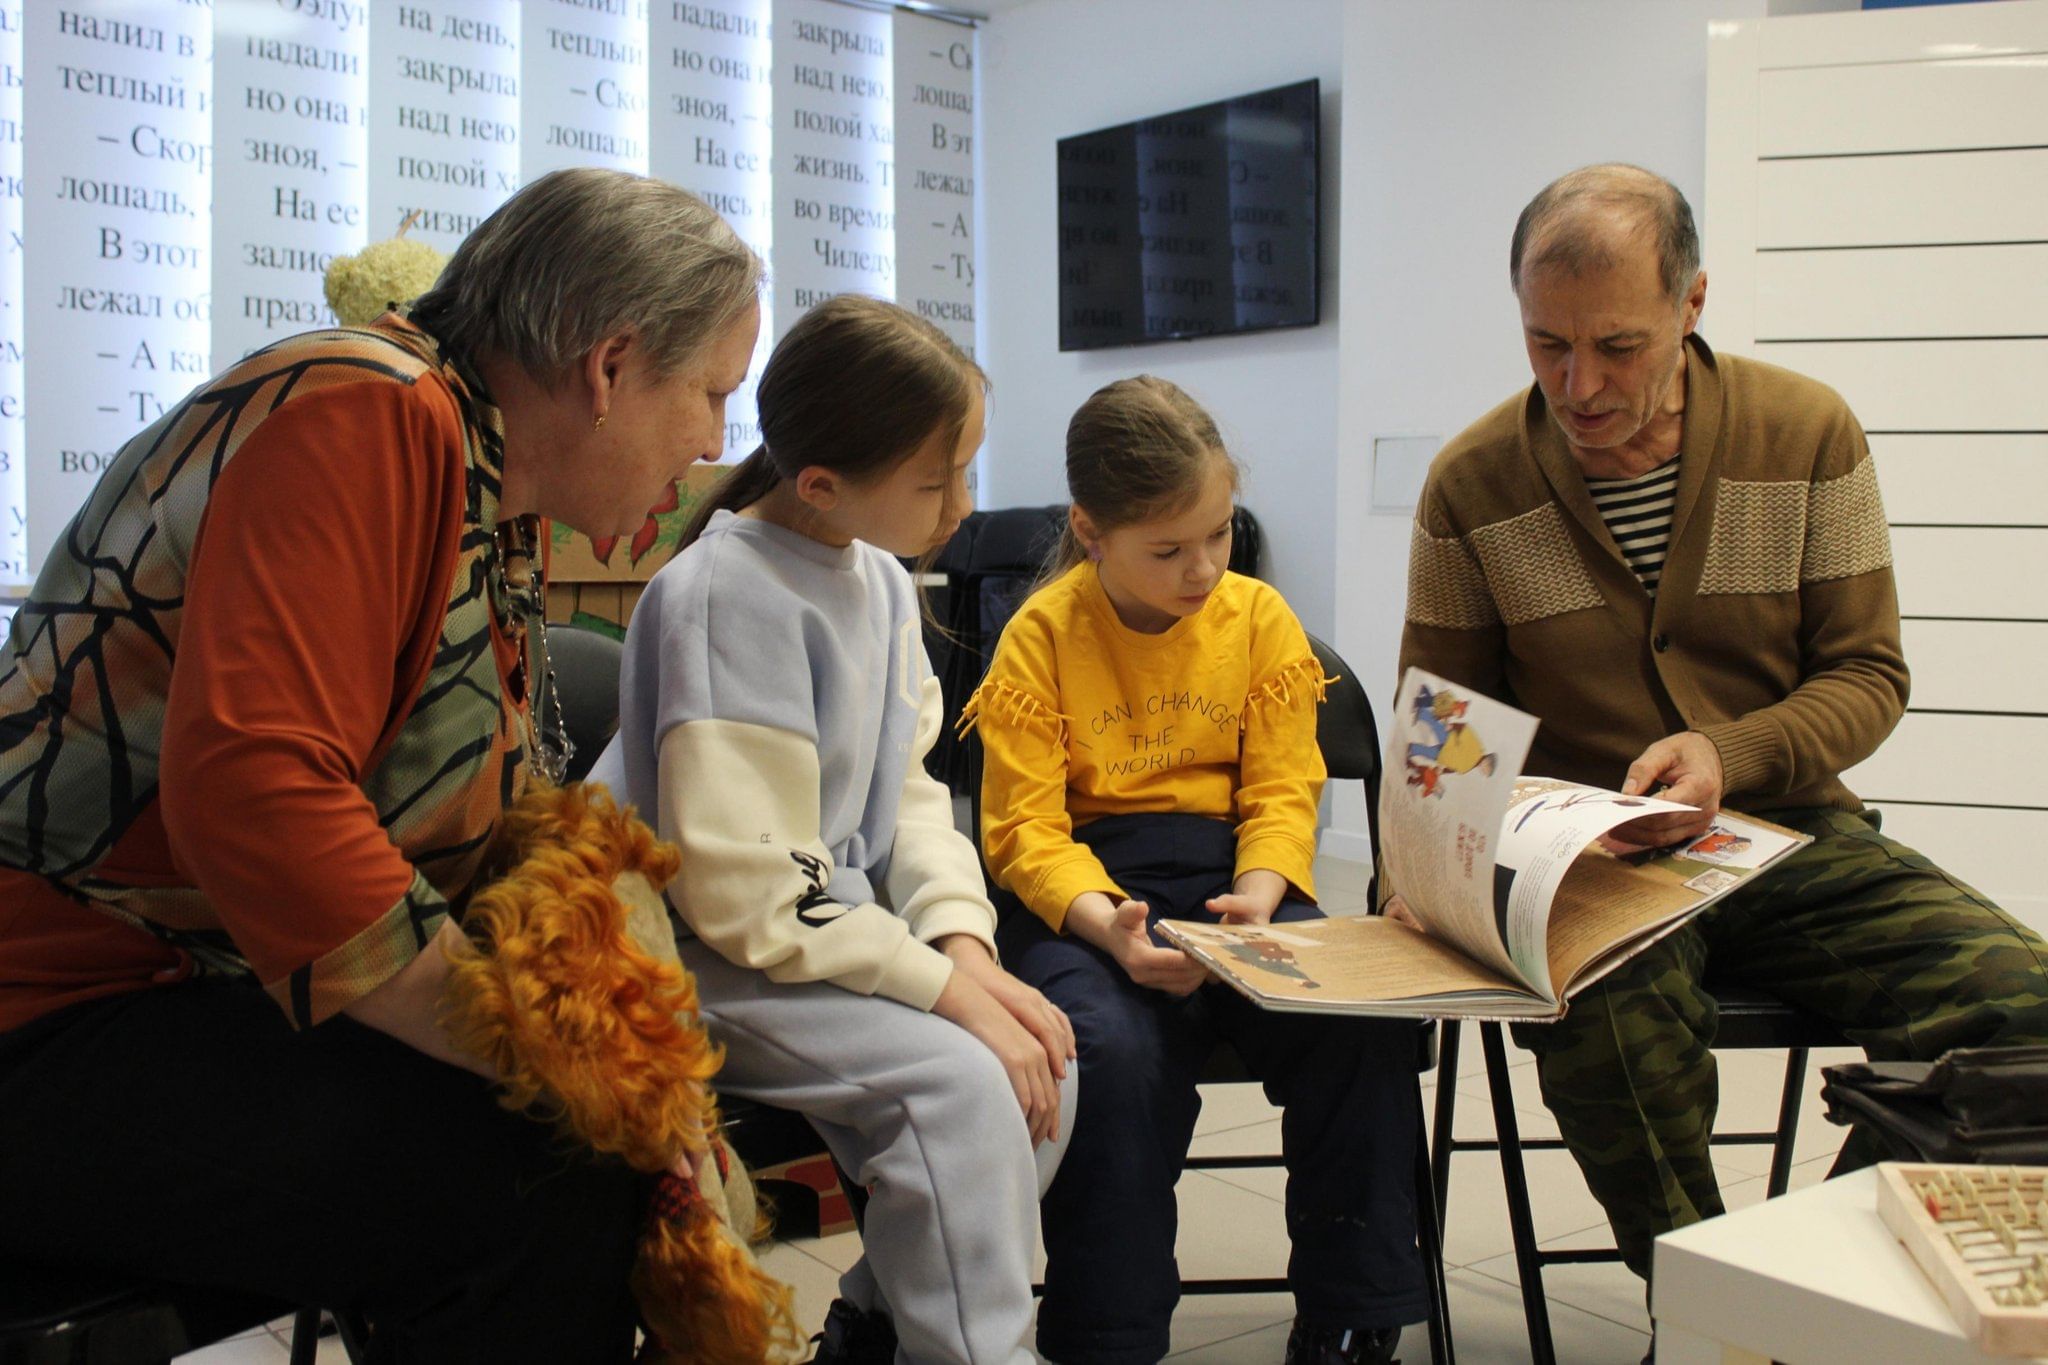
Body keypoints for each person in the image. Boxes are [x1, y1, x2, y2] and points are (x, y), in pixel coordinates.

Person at [0, 168, 764, 1362]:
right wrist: (554, 1058)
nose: (717, 440)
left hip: (183, 988)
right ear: (610, 367)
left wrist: (610, 1040)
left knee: (570, 1140)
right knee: (541, 1168)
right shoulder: (365, 410)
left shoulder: (466, 459)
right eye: (711, 392)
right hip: (49, 1014)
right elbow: (259, 797)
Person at [1396, 162, 2048, 1282]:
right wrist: (1435, 868)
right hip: (1593, 867)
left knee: (2024, 1010)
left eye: (1618, 346)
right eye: (1547, 343)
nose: (1580, 384)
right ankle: (1706, 1310)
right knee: (1613, 1039)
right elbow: (1443, 733)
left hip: (1790, 834)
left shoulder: (1804, 433)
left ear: (1691, 302)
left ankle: (1822, 1286)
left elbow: (1867, 674)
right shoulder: (1472, 483)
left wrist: (1726, 752)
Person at [588, 294, 1071, 1365]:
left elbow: (909, 795)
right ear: (819, 485)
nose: (961, 507)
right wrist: (943, 993)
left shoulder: (880, 580)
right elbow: (748, 896)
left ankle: (880, 1328)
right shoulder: (725, 595)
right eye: (935, 482)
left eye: (965, 472)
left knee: (1043, 1054)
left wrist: (961, 949)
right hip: (694, 959)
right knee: (960, 1088)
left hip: (808, 938)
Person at [971, 376, 1429, 1365]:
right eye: (1168, 550)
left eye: (1219, 534)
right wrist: (1107, 924)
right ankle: (1109, 1337)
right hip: (1089, 901)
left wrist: (1259, 895)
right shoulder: (1040, 636)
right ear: (1090, 532)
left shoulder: (1256, 618)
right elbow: (1023, 831)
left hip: (1235, 886)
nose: (1203, 568)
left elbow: (1282, 790)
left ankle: (1353, 1314)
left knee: (1361, 1023)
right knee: (1108, 1058)